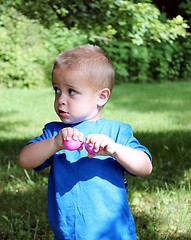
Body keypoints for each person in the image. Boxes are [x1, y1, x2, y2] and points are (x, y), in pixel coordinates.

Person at [18, 44, 152, 240]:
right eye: (57, 90)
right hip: (68, 233)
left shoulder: (116, 132)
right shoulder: (55, 133)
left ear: (101, 96)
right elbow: (25, 159)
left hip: (113, 233)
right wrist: (55, 143)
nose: (61, 99)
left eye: (71, 91)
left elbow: (145, 167)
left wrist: (114, 149)